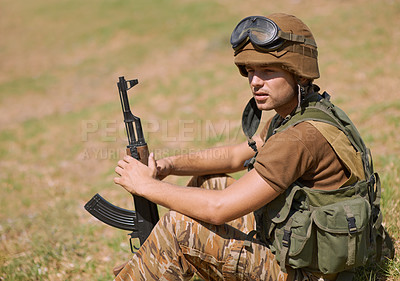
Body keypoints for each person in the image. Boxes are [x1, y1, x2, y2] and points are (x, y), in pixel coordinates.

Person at [112, 13, 392, 281]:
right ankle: (153, 262)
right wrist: (168, 166)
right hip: (308, 249)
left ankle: (150, 264)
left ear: (301, 74)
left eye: (268, 71)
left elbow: (219, 209)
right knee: (210, 183)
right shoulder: (304, 113)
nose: (255, 81)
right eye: (250, 71)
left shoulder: (299, 138)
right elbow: (235, 157)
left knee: (179, 226)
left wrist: (147, 187)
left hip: (311, 274)